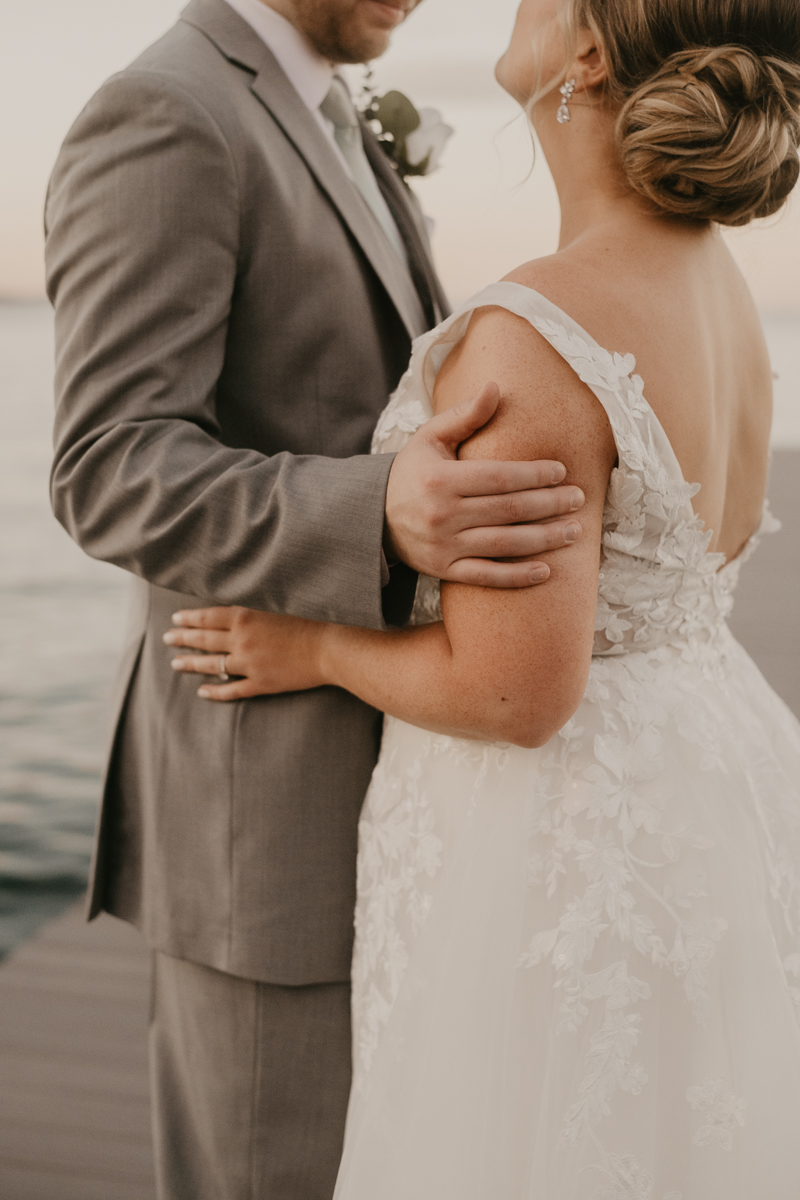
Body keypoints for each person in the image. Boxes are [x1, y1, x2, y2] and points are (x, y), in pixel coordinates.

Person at [166, 0, 800, 1193]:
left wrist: (311, 647)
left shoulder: (536, 331)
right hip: (703, 780)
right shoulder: (716, 285)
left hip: (555, 840)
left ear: (587, 53)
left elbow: (514, 691)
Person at [45, 0, 588, 1195]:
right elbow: (106, 470)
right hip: (263, 828)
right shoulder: (169, 113)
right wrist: (379, 508)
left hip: (390, 794)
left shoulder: (329, 105)